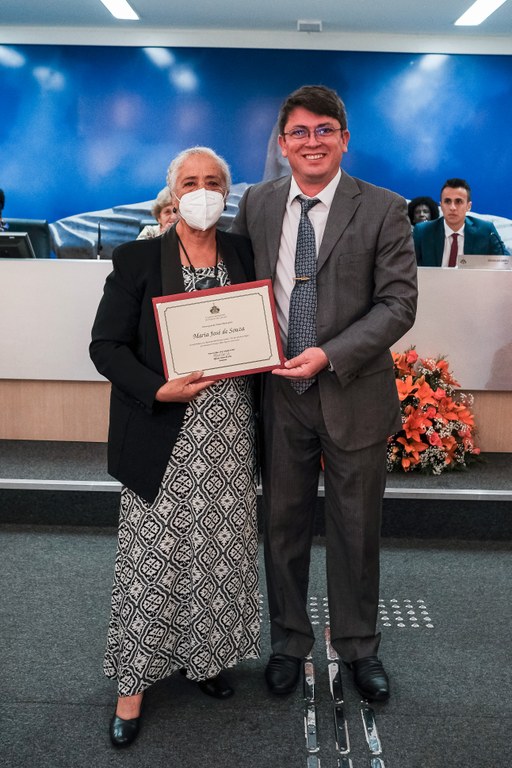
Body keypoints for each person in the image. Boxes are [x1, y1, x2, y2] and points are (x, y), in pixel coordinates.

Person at [231, 84, 417, 702]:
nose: (312, 142)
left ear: (343, 139)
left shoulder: (383, 207)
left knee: (356, 529)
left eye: (324, 130)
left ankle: (358, 646)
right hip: (279, 395)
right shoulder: (257, 203)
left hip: (352, 390)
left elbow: (398, 304)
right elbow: (235, 289)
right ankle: (288, 642)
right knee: (282, 526)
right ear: (283, 145)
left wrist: (330, 354)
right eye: (299, 133)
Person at [90, 147, 260, 748]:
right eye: (191, 182)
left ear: (227, 192)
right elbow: (106, 346)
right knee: (151, 562)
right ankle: (131, 689)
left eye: (213, 181)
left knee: (219, 553)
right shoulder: (138, 258)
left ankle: (205, 659)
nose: (202, 191)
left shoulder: (242, 252)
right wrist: (158, 388)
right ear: (173, 193)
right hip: (163, 430)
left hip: (229, 435)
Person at [413, 178, 510, 266]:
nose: (452, 207)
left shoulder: (486, 231)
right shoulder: (422, 232)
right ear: (441, 205)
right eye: (447, 201)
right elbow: (409, 268)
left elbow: (506, 264)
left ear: (469, 206)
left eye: (458, 201)